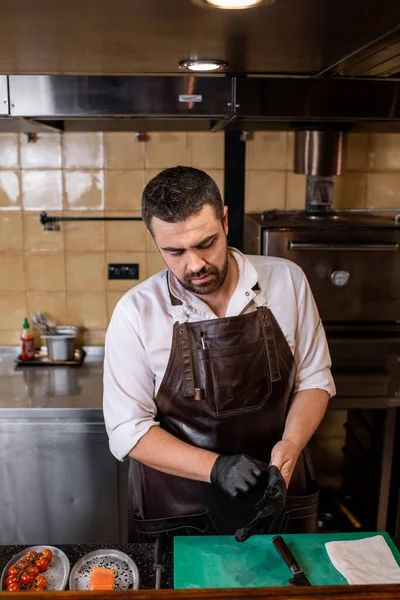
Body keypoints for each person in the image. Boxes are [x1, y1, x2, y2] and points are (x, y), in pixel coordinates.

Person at [103, 166, 336, 541]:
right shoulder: (137, 313)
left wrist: (290, 446)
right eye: (174, 251)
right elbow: (128, 431)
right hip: (179, 512)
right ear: (154, 240)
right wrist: (217, 468)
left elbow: (314, 379)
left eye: (205, 243)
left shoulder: (286, 281)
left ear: (225, 220)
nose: (194, 265)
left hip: (277, 496)